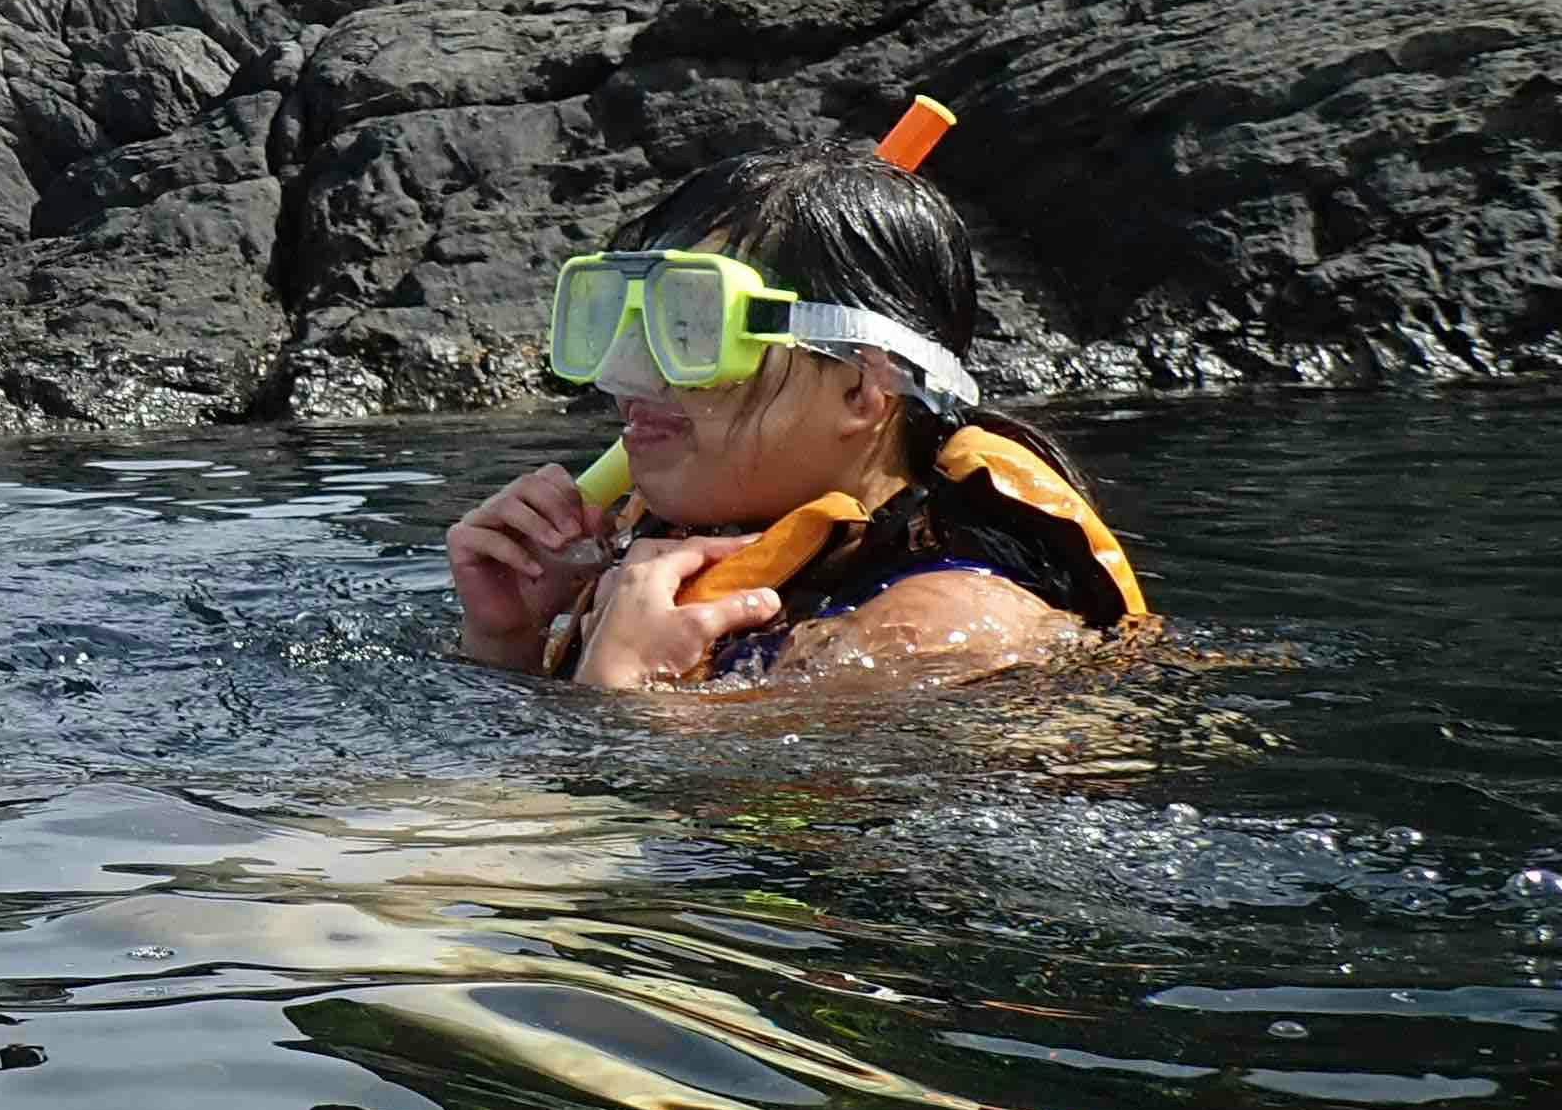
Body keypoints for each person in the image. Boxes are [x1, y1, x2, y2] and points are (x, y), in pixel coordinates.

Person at [444, 142, 1149, 696]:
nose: (627, 374)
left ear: (862, 388)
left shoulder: (937, 634)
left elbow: (641, 829)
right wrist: (510, 640)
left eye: (691, 330)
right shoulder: (653, 560)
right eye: (620, 322)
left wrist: (624, 694)